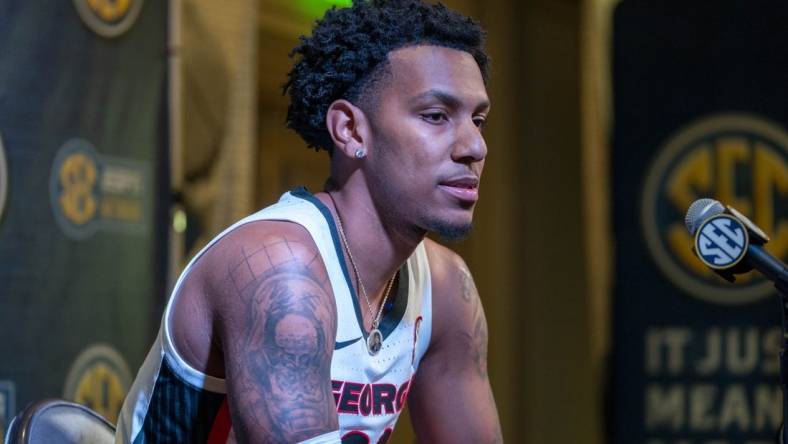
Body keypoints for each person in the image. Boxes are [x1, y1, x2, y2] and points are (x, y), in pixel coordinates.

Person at [116, 0, 502, 442]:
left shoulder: (447, 286)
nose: (475, 146)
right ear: (351, 131)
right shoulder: (279, 266)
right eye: (436, 116)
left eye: (478, 120)